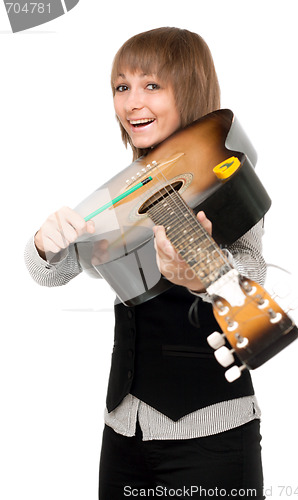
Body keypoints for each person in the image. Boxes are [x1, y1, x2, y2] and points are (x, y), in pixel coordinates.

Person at [25, 27, 266, 499]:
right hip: (123, 431)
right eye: (122, 87)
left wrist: (200, 274)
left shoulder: (221, 172)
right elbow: (51, 272)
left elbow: (252, 282)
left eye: (152, 85)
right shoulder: (123, 192)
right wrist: (42, 243)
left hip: (210, 435)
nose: (132, 102)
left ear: (191, 88)